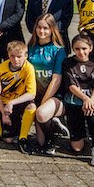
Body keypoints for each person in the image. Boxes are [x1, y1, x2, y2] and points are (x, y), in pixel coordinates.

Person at [61, 33, 94, 167]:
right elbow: (71, 86)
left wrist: (90, 100)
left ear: (90, 48)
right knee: (77, 148)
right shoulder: (68, 63)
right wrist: (85, 98)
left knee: (91, 111)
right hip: (74, 102)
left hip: (91, 102)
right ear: (73, 49)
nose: (81, 52)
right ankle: (82, 136)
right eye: (77, 49)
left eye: (84, 48)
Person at [26, 13, 68, 156]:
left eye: (46, 28)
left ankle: (52, 139)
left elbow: (57, 80)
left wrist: (43, 102)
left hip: (54, 96)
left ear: (52, 30)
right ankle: (51, 125)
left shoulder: (59, 50)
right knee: (39, 142)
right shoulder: (30, 46)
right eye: (39, 27)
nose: (42, 31)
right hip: (35, 95)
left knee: (42, 113)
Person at [0, 40, 37, 147]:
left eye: (19, 56)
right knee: (7, 139)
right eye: (12, 56)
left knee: (32, 106)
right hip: (5, 105)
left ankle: (23, 137)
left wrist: (12, 103)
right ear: (8, 54)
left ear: (26, 55)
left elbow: (31, 94)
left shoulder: (28, 68)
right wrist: (4, 113)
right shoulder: (2, 67)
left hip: (19, 101)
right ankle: (14, 128)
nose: (16, 59)